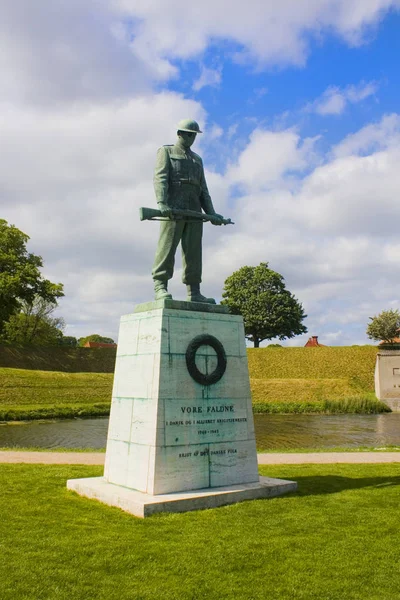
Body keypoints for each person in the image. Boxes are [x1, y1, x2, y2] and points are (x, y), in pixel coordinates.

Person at [152, 119, 223, 303]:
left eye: (194, 135)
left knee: (193, 253)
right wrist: (162, 202)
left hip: (194, 210)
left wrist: (212, 213)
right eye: (188, 134)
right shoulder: (166, 151)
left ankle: (194, 291)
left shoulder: (197, 159)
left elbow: (203, 189)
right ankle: (160, 286)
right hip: (173, 208)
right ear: (179, 133)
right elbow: (160, 177)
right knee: (167, 248)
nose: (191, 138)